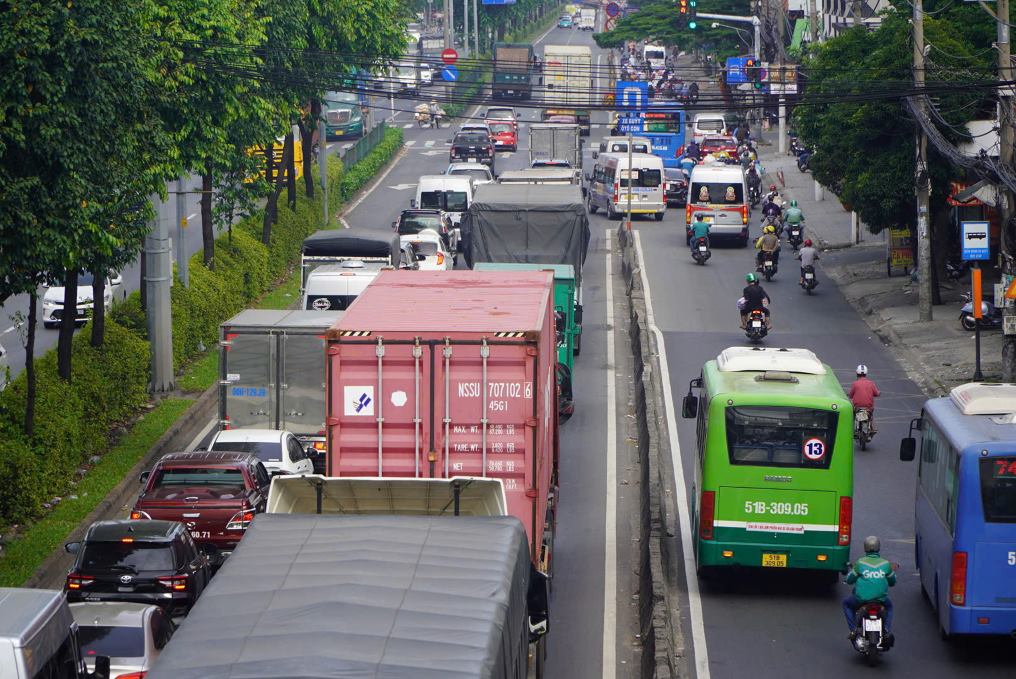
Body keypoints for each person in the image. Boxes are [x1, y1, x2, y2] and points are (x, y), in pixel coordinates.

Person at [843, 535, 896, 646]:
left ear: (865, 548)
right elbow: (892, 582)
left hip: (861, 599)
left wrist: (848, 579)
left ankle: (853, 630)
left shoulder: (860, 563)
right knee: (889, 607)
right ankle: (886, 630)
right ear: (878, 547)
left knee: (846, 604)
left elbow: (849, 580)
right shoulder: (886, 564)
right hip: (881, 599)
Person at [848, 365, 881, 432]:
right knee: (870, 416)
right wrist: (879, 393)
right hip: (868, 408)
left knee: (853, 415)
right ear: (866, 373)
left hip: (857, 408)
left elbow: (850, 396)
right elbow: (877, 394)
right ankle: (872, 427)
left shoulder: (855, 384)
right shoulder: (871, 383)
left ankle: (853, 428)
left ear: (857, 373)